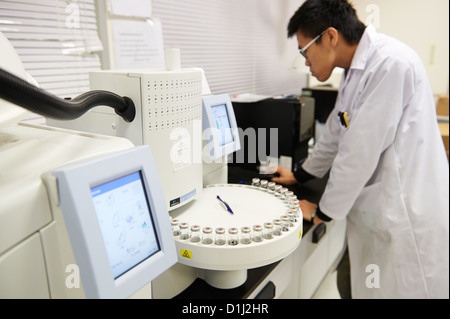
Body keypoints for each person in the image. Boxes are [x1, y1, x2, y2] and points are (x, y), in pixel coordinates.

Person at [273, 0, 449, 298]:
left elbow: (358, 152)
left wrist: (322, 213)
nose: (304, 61)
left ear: (330, 37)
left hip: (405, 216)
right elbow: (335, 131)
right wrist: (300, 176)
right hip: (377, 213)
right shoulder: (355, 72)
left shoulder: (390, 63)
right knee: (352, 284)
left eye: (304, 51)